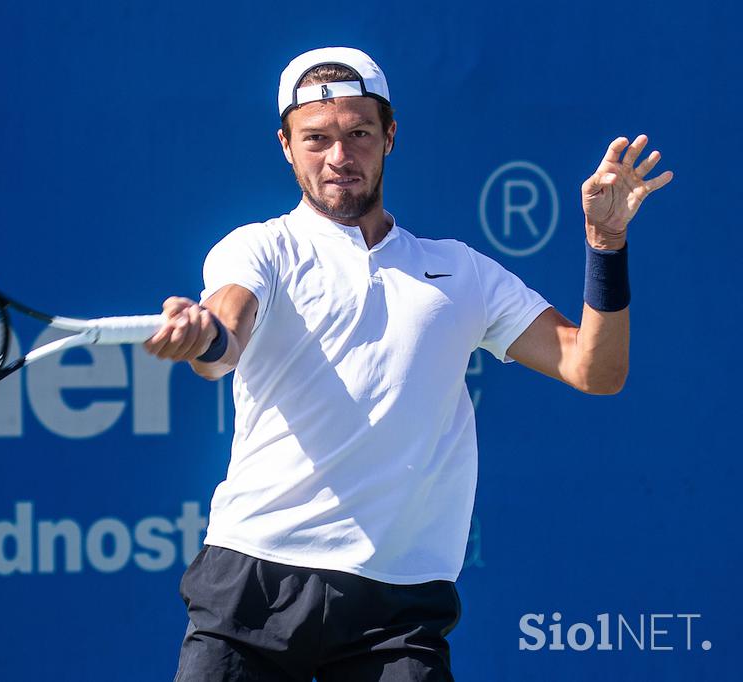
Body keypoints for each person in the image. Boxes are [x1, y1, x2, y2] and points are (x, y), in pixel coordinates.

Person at [144, 47, 673, 682]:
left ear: (389, 136)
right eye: (316, 139)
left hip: (397, 610)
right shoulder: (259, 248)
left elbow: (596, 369)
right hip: (253, 581)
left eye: (359, 134)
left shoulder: (462, 272)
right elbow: (226, 338)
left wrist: (605, 245)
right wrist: (204, 336)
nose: (339, 156)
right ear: (286, 145)